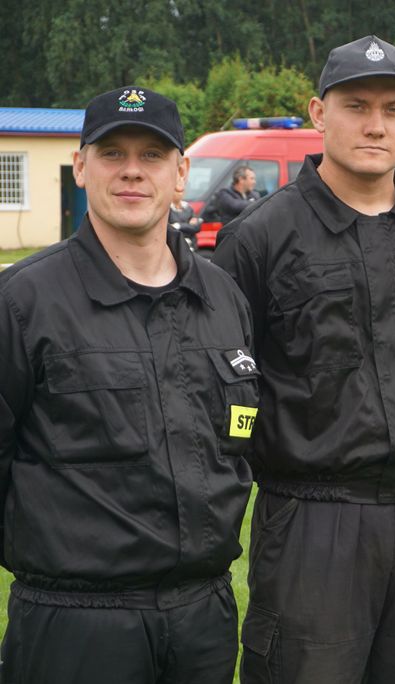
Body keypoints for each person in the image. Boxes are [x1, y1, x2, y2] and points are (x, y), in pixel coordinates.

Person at [212, 35, 395, 683]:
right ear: (319, 113)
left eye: (392, 108)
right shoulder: (261, 237)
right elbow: (220, 390)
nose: (374, 124)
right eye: (356, 106)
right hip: (313, 522)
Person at [0, 86, 257, 683]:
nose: (132, 171)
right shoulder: (23, 302)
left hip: (204, 621)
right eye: (112, 153)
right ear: (81, 166)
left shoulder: (223, 299)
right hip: (76, 625)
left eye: (152, 155)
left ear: (180, 173)